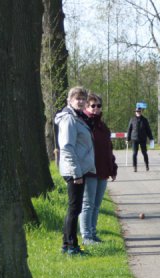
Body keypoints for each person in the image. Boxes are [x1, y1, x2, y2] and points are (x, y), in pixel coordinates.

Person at [55, 86, 96, 255]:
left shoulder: (78, 118)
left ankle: (69, 244)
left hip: (79, 169)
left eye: (83, 98)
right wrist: (76, 172)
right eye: (77, 98)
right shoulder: (69, 119)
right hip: (74, 170)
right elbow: (67, 147)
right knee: (74, 208)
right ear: (69, 101)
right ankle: (70, 245)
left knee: (76, 207)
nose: (80, 101)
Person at [79, 93, 117, 245]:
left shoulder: (103, 127)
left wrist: (112, 168)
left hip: (102, 171)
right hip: (89, 170)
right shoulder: (83, 124)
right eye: (92, 105)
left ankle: (93, 233)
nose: (95, 108)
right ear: (87, 107)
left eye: (98, 106)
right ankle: (86, 236)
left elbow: (108, 149)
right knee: (87, 204)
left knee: (96, 205)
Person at [127, 105, 153, 172]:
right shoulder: (132, 119)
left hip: (142, 139)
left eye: (139, 111)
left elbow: (148, 130)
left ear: (141, 112)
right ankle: (135, 167)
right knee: (134, 153)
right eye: (137, 111)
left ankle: (147, 165)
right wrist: (127, 139)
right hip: (134, 139)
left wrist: (151, 138)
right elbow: (129, 130)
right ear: (135, 112)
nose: (138, 112)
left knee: (144, 153)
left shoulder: (144, 120)